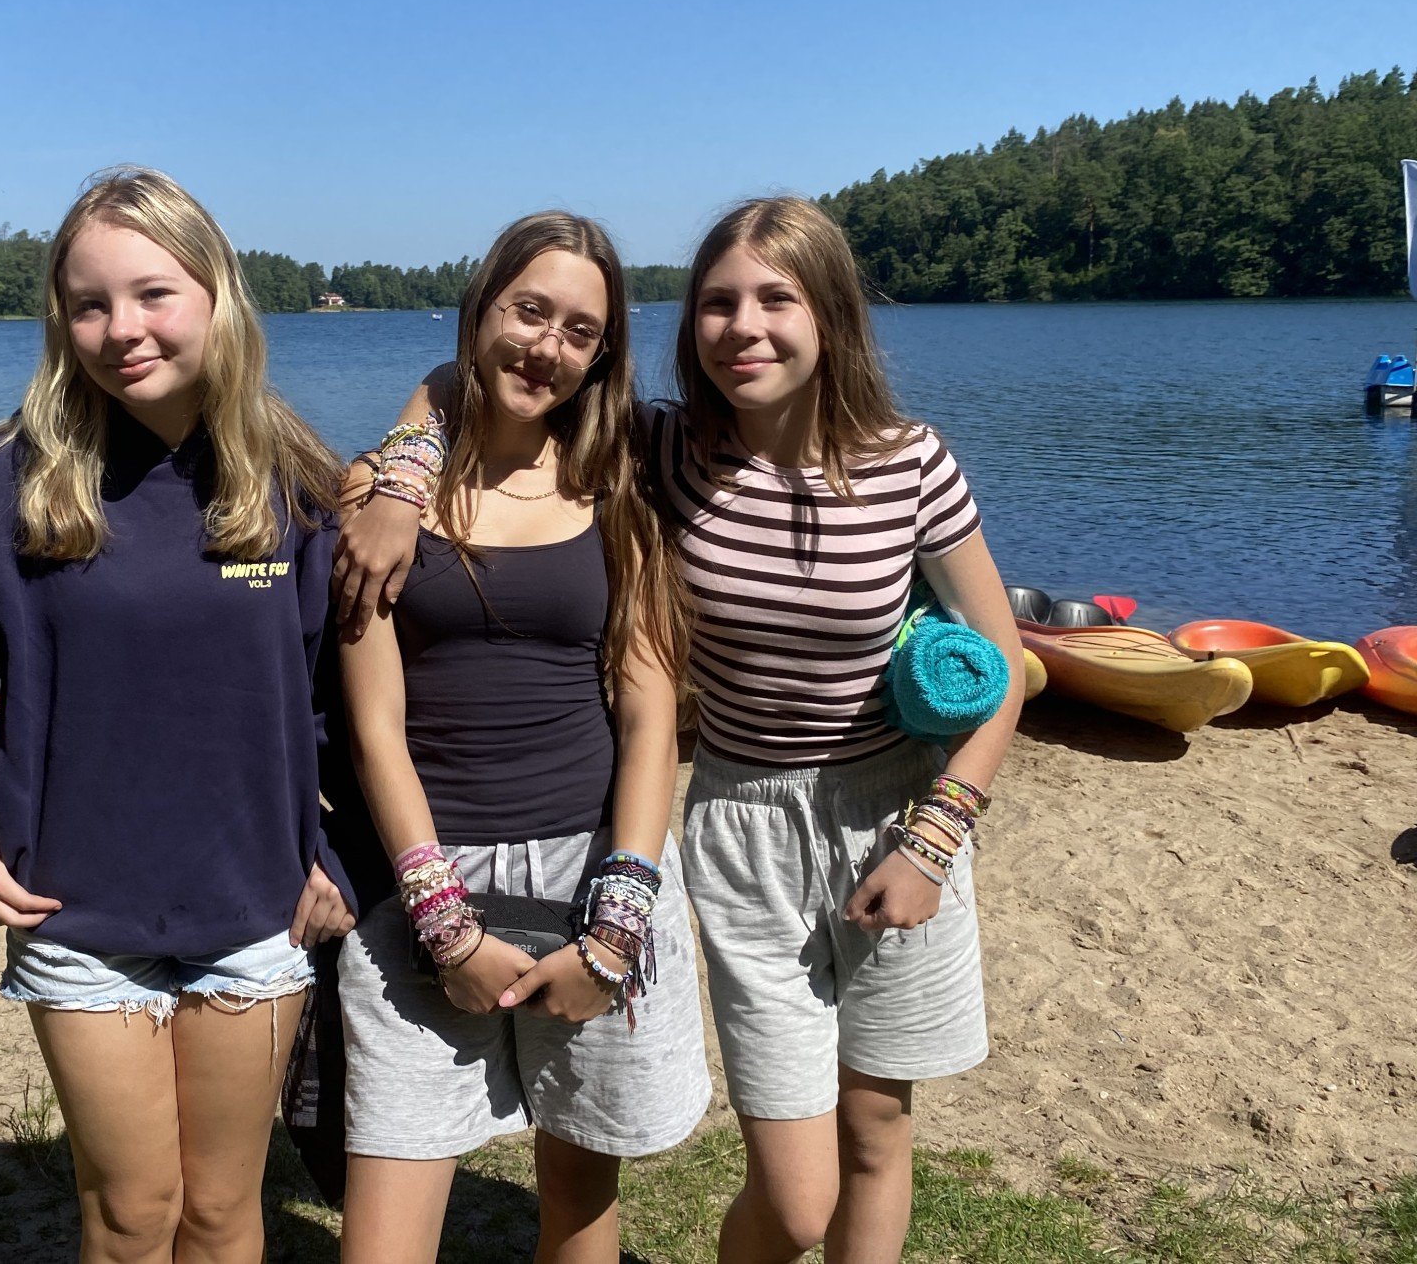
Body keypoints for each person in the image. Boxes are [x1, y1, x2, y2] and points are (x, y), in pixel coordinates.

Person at [335, 196, 1024, 1264]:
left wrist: (934, 839)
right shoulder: (661, 449)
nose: (744, 326)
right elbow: (473, 375)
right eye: (716, 302)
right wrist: (403, 474)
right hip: (742, 822)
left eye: (776, 299)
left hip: (894, 810)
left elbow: (1004, 664)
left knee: (878, 1129)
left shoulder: (910, 463)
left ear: (831, 314)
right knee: (797, 1202)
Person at [0, 166, 357, 1264]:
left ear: (217, 295)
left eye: (152, 294)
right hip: (77, 918)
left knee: (221, 1212)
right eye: (89, 304)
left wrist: (344, 851)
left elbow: (344, 700)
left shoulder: (294, 487)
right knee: (133, 1214)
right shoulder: (6, 490)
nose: (120, 329)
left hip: (256, 916)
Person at [335, 212, 711, 1264]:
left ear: (601, 354)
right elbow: (373, 726)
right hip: (422, 875)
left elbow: (648, 716)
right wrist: (441, 923)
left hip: (592, 874)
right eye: (528, 311)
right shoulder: (379, 497)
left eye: (578, 331)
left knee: (579, 1209)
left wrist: (617, 931)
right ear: (480, 310)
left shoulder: (617, 490)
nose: (546, 346)